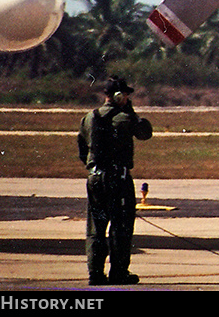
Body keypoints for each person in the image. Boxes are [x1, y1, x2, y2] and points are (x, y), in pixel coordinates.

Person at [78, 76, 153, 285]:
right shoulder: (125, 118)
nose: (128, 97)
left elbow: (82, 149)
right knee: (120, 227)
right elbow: (145, 132)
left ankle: (95, 273)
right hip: (117, 180)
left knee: (96, 227)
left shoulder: (89, 118)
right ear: (119, 96)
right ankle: (118, 272)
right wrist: (130, 110)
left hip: (95, 178)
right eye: (125, 94)